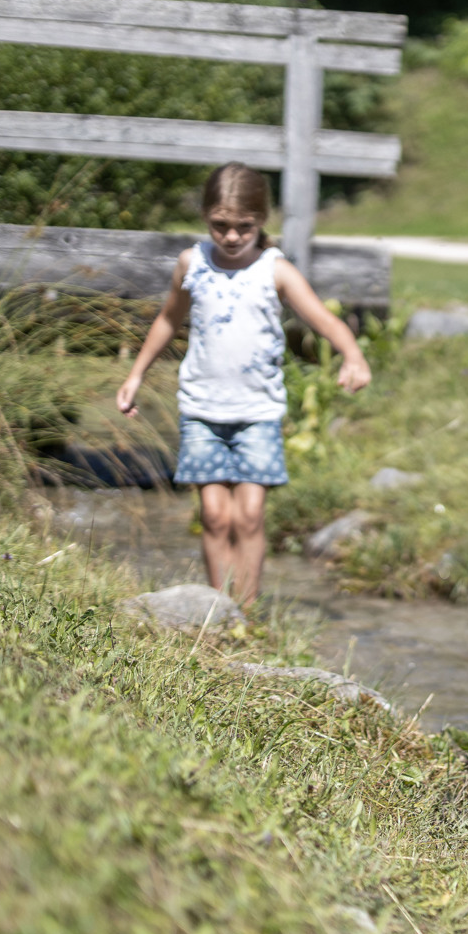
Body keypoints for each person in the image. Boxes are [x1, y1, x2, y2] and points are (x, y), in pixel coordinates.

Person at [117, 162, 371, 606]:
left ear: (261, 221)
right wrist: (135, 375)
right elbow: (168, 320)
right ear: (205, 217)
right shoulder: (192, 264)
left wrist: (353, 355)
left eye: (243, 227)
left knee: (249, 514)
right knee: (215, 515)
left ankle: (246, 614)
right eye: (220, 226)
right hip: (202, 407)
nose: (231, 237)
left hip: (258, 411)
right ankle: (218, 610)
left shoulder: (275, 269)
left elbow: (324, 318)